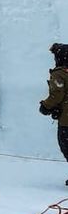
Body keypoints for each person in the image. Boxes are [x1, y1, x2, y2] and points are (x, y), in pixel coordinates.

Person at [39, 43, 68, 181]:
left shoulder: (59, 74)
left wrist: (46, 106)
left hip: (66, 121)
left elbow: (57, 94)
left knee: (66, 146)